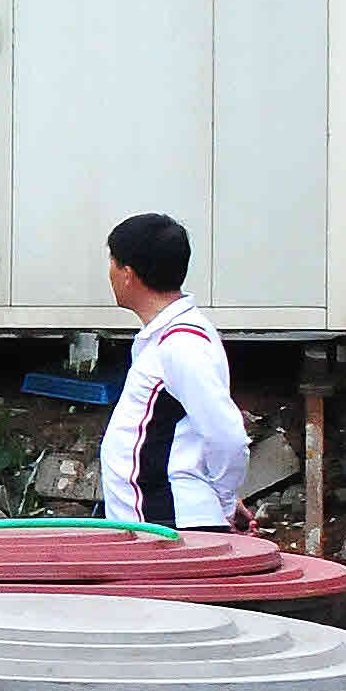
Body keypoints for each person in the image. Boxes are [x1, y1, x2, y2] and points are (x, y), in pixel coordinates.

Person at [100, 211, 248, 529]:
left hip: (170, 525)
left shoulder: (181, 344)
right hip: (157, 522)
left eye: (112, 262)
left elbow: (228, 437)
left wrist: (223, 504)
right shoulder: (168, 336)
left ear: (128, 273)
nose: (109, 273)